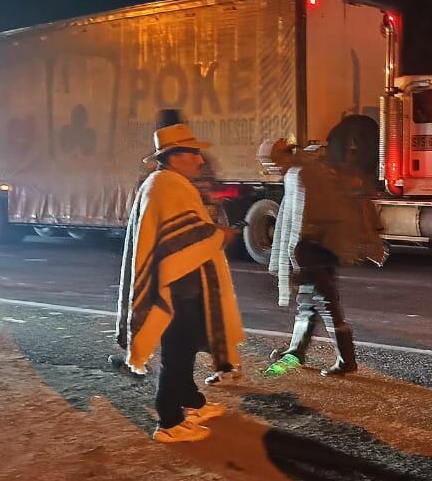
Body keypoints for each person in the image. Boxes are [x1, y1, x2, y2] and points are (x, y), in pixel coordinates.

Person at [115, 121, 244, 443]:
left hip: (183, 281)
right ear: (175, 156)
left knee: (183, 347)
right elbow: (184, 237)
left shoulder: (163, 182)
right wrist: (220, 234)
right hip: (179, 285)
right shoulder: (167, 185)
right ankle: (169, 422)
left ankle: (192, 403)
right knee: (177, 352)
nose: (200, 160)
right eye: (194, 154)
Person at [260, 134, 386, 378]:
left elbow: (300, 219)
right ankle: (296, 352)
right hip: (325, 245)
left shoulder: (298, 174)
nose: (272, 167)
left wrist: (296, 260)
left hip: (310, 248)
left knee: (327, 303)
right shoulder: (310, 169)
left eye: (271, 162)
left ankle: (345, 360)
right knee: (308, 302)